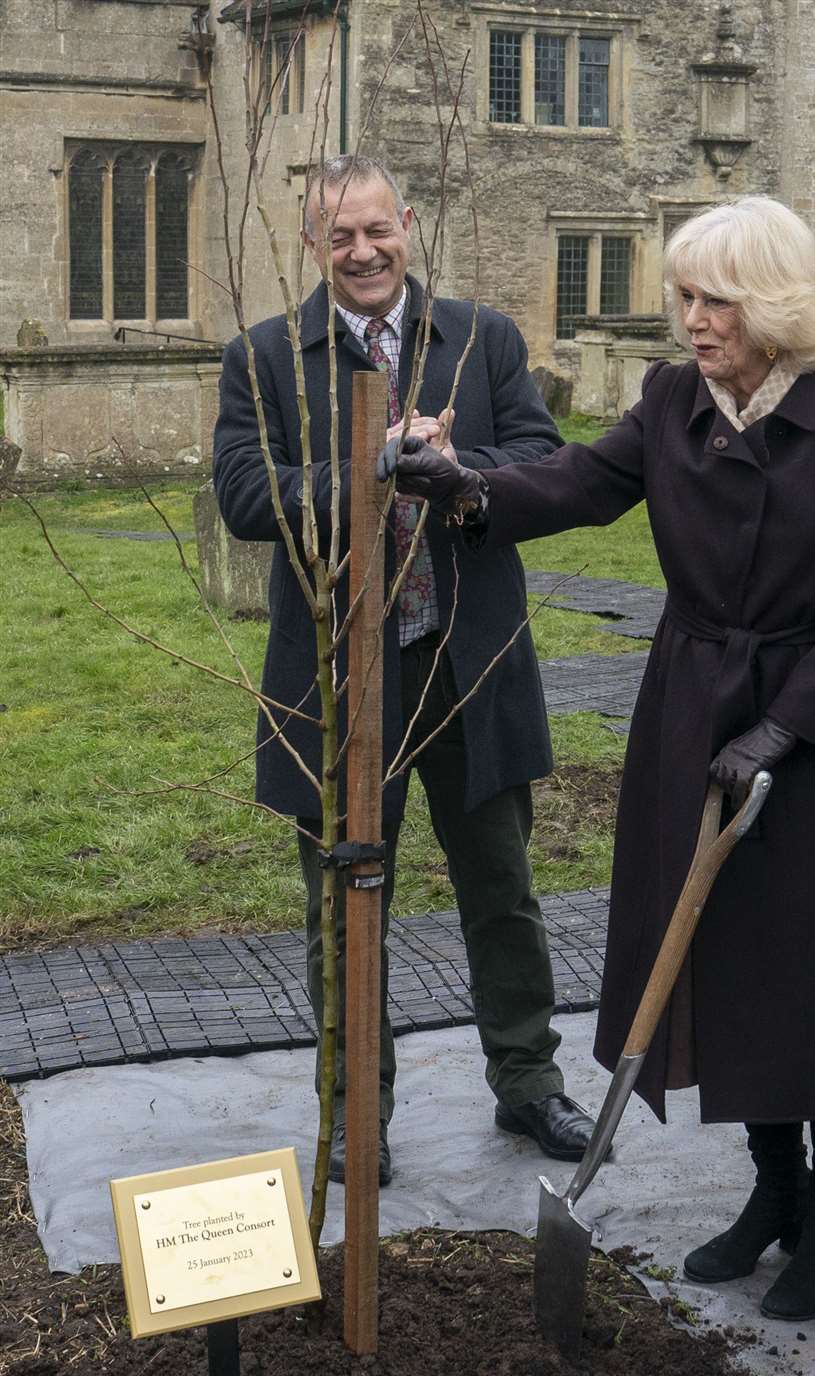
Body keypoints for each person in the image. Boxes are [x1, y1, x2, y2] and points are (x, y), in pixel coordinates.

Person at [382, 197, 815, 1322]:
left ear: (771, 301)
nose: (693, 319)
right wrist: (469, 486)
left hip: (810, 733)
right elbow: (580, 481)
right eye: (683, 297)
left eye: (713, 298)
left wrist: (783, 728)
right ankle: (773, 1190)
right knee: (729, 960)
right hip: (693, 710)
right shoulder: (675, 399)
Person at [213, 154, 598, 1187]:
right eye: (339, 236)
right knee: (345, 899)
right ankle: (358, 1112)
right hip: (339, 674)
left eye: (377, 229)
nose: (362, 251)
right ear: (311, 243)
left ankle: (528, 1081)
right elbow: (247, 493)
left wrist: (463, 477)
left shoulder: (482, 338)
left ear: (408, 224)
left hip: (467, 661)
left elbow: (542, 461)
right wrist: (368, 471)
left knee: (503, 887)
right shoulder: (264, 359)